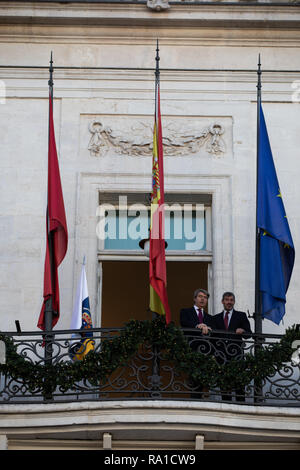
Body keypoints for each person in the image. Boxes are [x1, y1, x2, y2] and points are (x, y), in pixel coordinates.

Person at [213, 291, 252, 402]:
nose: (229, 302)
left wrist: (243, 330)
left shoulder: (241, 315)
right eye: (227, 300)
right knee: (224, 387)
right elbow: (212, 338)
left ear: (234, 302)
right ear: (222, 302)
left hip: (236, 356)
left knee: (239, 385)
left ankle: (241, 407)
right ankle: (226, 407)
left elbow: (249, 334)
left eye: (231, 300)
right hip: (221, 356)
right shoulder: (215, 318)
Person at [180, 288, 214, 398]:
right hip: (191, 350)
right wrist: (197, 326)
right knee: (192, 379)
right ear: (194, 299)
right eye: (200, 297)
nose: (203, 299)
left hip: (206, 353)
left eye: (205, 297)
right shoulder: (185, 312)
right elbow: (184, 323)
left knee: (203, 380)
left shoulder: (210, 318)